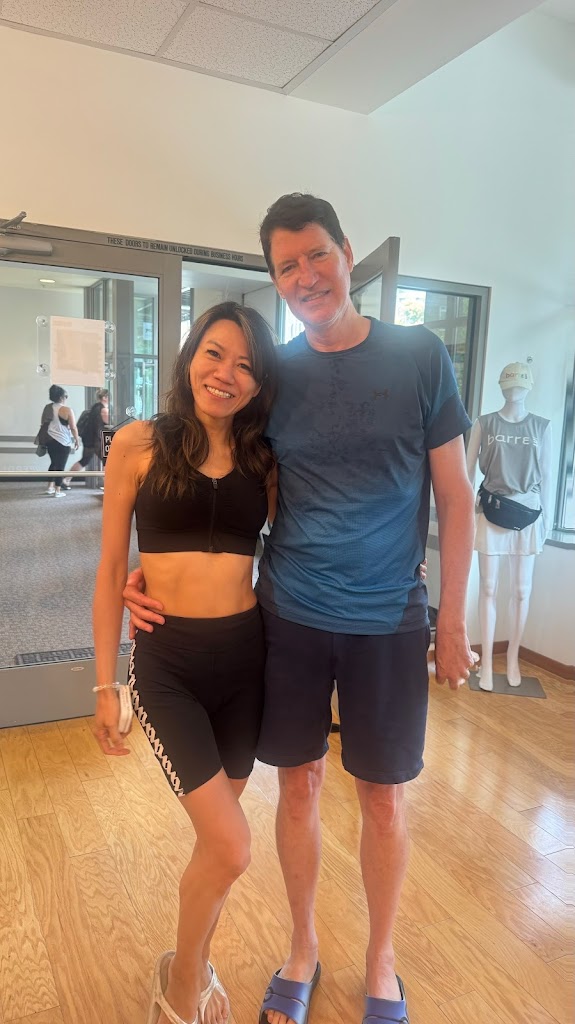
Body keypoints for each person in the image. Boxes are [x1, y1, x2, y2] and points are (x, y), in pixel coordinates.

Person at [125, 194, 477, 1024]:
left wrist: (452, 620)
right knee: (298, 786)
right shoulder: (274, 374)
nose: (305, 276)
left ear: (346, 254)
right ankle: (301, 948)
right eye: (286, 266)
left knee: (383, 798)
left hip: (389, 618)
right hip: (288, 616)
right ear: (275, 279)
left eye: (316, 255)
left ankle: (381, 961)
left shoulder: (420, 355)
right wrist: (155, 570)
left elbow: (455, 496)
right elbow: (223, 474)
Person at [92, 301, 277, 1024]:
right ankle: (180, 988)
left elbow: (292, 551)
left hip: (245, 665)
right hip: (168, 666)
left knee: (215, 846)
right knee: (232, 846)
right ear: (190, 356)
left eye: (245, 365)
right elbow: (112, 569)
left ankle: (188, 962)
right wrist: (105, 682)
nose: (226, 374)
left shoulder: (263, 460)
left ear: (259, 384)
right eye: (214, 353)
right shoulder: (139, 442)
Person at [466, 361, 552, 691]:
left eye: (519, 383)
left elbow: (547, 476)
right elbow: (466, 472)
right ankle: (487, 663)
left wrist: (545, 519)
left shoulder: (541, 427)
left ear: (528, 386)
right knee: (488, 588)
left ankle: (513, 658)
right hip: (492, 512)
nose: (514, 389)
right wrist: (464, 515)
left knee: (521, 590)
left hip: (529, 514)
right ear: (501, 385)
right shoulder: (484, 423)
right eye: (509, 383)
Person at [41, 384, 79, 496]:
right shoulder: (67, 410)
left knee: (53, 463)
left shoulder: (47, 408)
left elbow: (43, 423)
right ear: (62, 397)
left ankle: (50, 487)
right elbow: (73, 427)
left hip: (50, 440)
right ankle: (57, 490)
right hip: (63, 441)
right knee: (60, 466)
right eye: (66, 397)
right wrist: (76, 439)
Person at [66, 387, 109, 480]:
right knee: (107, 461)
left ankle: (66, 479)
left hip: (89, 440)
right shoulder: (104, 410)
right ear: (104, 397)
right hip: (98, 441)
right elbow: (109, 423)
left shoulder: (94, 408)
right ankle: (108, 484)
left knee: (84, 461)